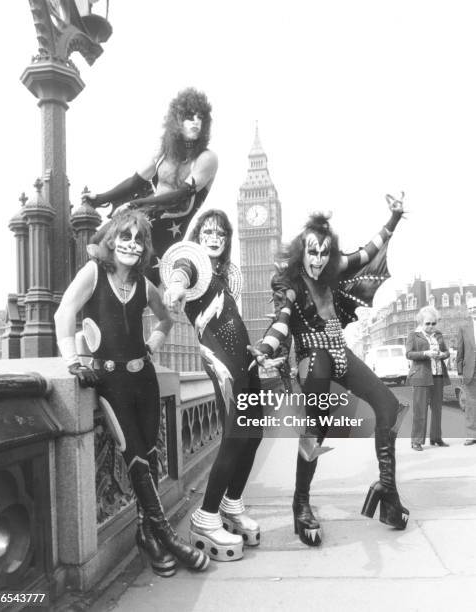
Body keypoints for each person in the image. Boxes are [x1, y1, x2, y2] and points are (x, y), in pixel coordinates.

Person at [54, 209, 209, 577]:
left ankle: (146, 535)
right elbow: (64, 314)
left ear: (144, 249)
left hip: (145, 379)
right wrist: (74, 362)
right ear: (112, 240)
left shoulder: (143, 285)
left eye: (139, 240)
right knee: (135, 457)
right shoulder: (94, 273)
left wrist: (152, 346)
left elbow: (167, 319)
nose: (131, 244)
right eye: (125, 237)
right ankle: (168, 536)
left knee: (150, 455)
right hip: (111, 383)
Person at [250, 195, 409, 546]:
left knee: (388, 407)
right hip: (312, 357)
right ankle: (302, 502)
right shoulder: (287, 282)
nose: (318, 259)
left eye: (324, 252)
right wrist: (266, 347)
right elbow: (282, 319)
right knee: (316, 424)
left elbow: (368, 252)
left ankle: (386, 487)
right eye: (312, 252)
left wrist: (394, 217)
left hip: (339, 351)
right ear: (301, 251)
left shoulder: (335, 269)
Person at [161, 210, 275, 561]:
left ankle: (231, 504)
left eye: (221, 234)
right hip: (222, 362)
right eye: (208, 231)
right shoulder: (193, 264)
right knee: (236, 433)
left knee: (254, 432)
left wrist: (257, 350)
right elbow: (180, 271)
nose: (213, 238)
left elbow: (231, 318)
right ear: (198, 235)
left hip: (245, 357)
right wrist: (177, 286)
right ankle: (205, 517)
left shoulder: (223, 275)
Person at [84, 87, 218, 283]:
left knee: (143, 281)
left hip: (166, 227)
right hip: (143, 215)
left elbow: (181, 195)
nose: (196, 121)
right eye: (189, 116)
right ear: (177, 120)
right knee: (98, 243)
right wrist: (101, 199)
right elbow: (135, 181)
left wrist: (136, 205)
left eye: (201, 117)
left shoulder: (207, 158)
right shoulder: (162, 152)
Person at [406, 306, 450, 451]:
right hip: (420, 376)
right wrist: (426, 353)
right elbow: (409, 354)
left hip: (437, 375)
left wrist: (443, 355)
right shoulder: (413, 335)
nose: (431, 326)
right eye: (428, 323)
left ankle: (436, 438)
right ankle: (416, 441)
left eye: (433, 323)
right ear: (421, 322)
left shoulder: (438, 334)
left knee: (437, 409)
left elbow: (446, 352)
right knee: (420, 410)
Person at [456, 296, 476, 445]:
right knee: (471, 404)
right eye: (470, 308)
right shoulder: (464, 327)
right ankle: (472, 434)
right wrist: (460, 371)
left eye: (475, 307)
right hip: (470, 372)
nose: (473, 310)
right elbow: (460, 351)